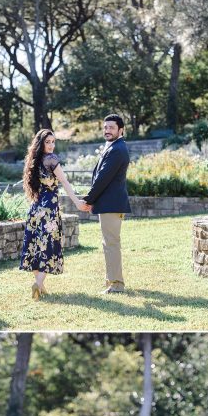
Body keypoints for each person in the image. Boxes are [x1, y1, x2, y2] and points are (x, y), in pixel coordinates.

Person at [20, 129, 90, 299]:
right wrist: (77, 202)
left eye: (53, 142)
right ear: (41, 143)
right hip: (49, 211)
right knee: (48, 246)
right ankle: (37, 284)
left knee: (34, 246)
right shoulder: (51, 159)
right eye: (48, 142)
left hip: (35, 209)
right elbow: (64, 182)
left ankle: (40, 286)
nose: (51, 145)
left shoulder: (33, 162)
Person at [83, 114, 131, 294]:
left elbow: (103, 178)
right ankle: (112, 281)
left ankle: (117, 284)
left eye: (111, 127)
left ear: (121, 130)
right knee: (109, 243)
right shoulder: (113, 147)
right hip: (109, 204)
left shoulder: (118, 149)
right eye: (105, 127)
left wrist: (88, 199)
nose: (107, 130)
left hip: (112, 204)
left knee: (111, 243)